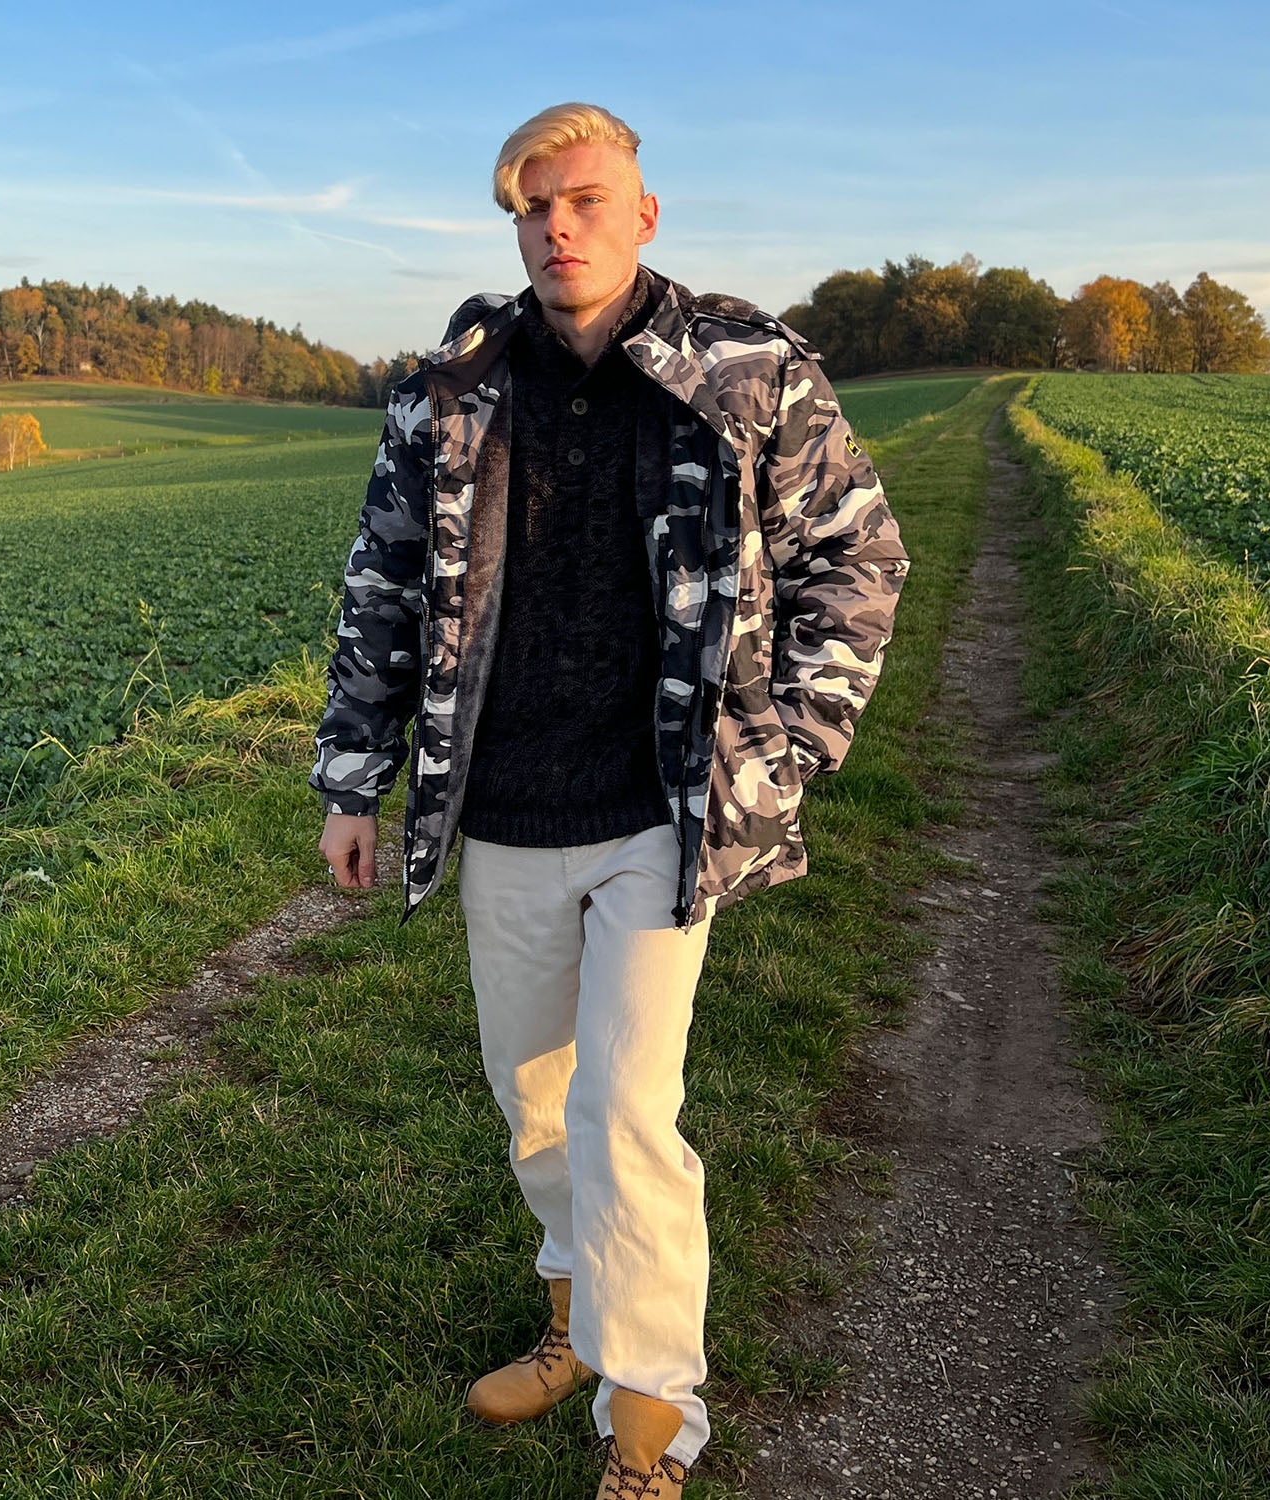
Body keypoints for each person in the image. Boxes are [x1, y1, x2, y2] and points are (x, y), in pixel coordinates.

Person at [311, 101, 909, 1499]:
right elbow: (383, 584)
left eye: (585, 200)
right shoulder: (452, 387)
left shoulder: (747, 368)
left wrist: (790, 750)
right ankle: (577, 1316)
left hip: (665, 808)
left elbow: (857, 557)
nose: (558, 227)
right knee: (534, 1099)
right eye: (534, 207)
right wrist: (354, 778)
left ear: (643, 215)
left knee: (627, 1110)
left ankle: (649, 1423)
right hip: (505, 801)